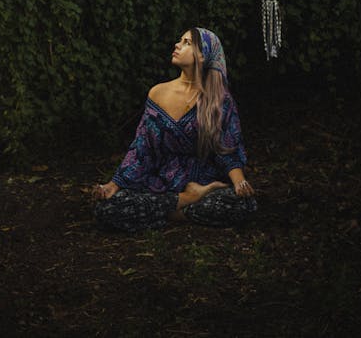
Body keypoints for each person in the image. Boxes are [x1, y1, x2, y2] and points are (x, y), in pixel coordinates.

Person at [92, 27, 257, 232]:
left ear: (203, 55)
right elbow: (143, 148)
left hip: (204, 181)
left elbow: (227, 150)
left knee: (245, 205)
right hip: (161, 184)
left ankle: (166, 212)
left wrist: (240, 183)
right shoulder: (158, 93)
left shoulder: (218, 100)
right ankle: (187, 201)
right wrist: (113, 185)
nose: (177, 45)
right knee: (107, 209)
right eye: (180, 40)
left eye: (187, 43)